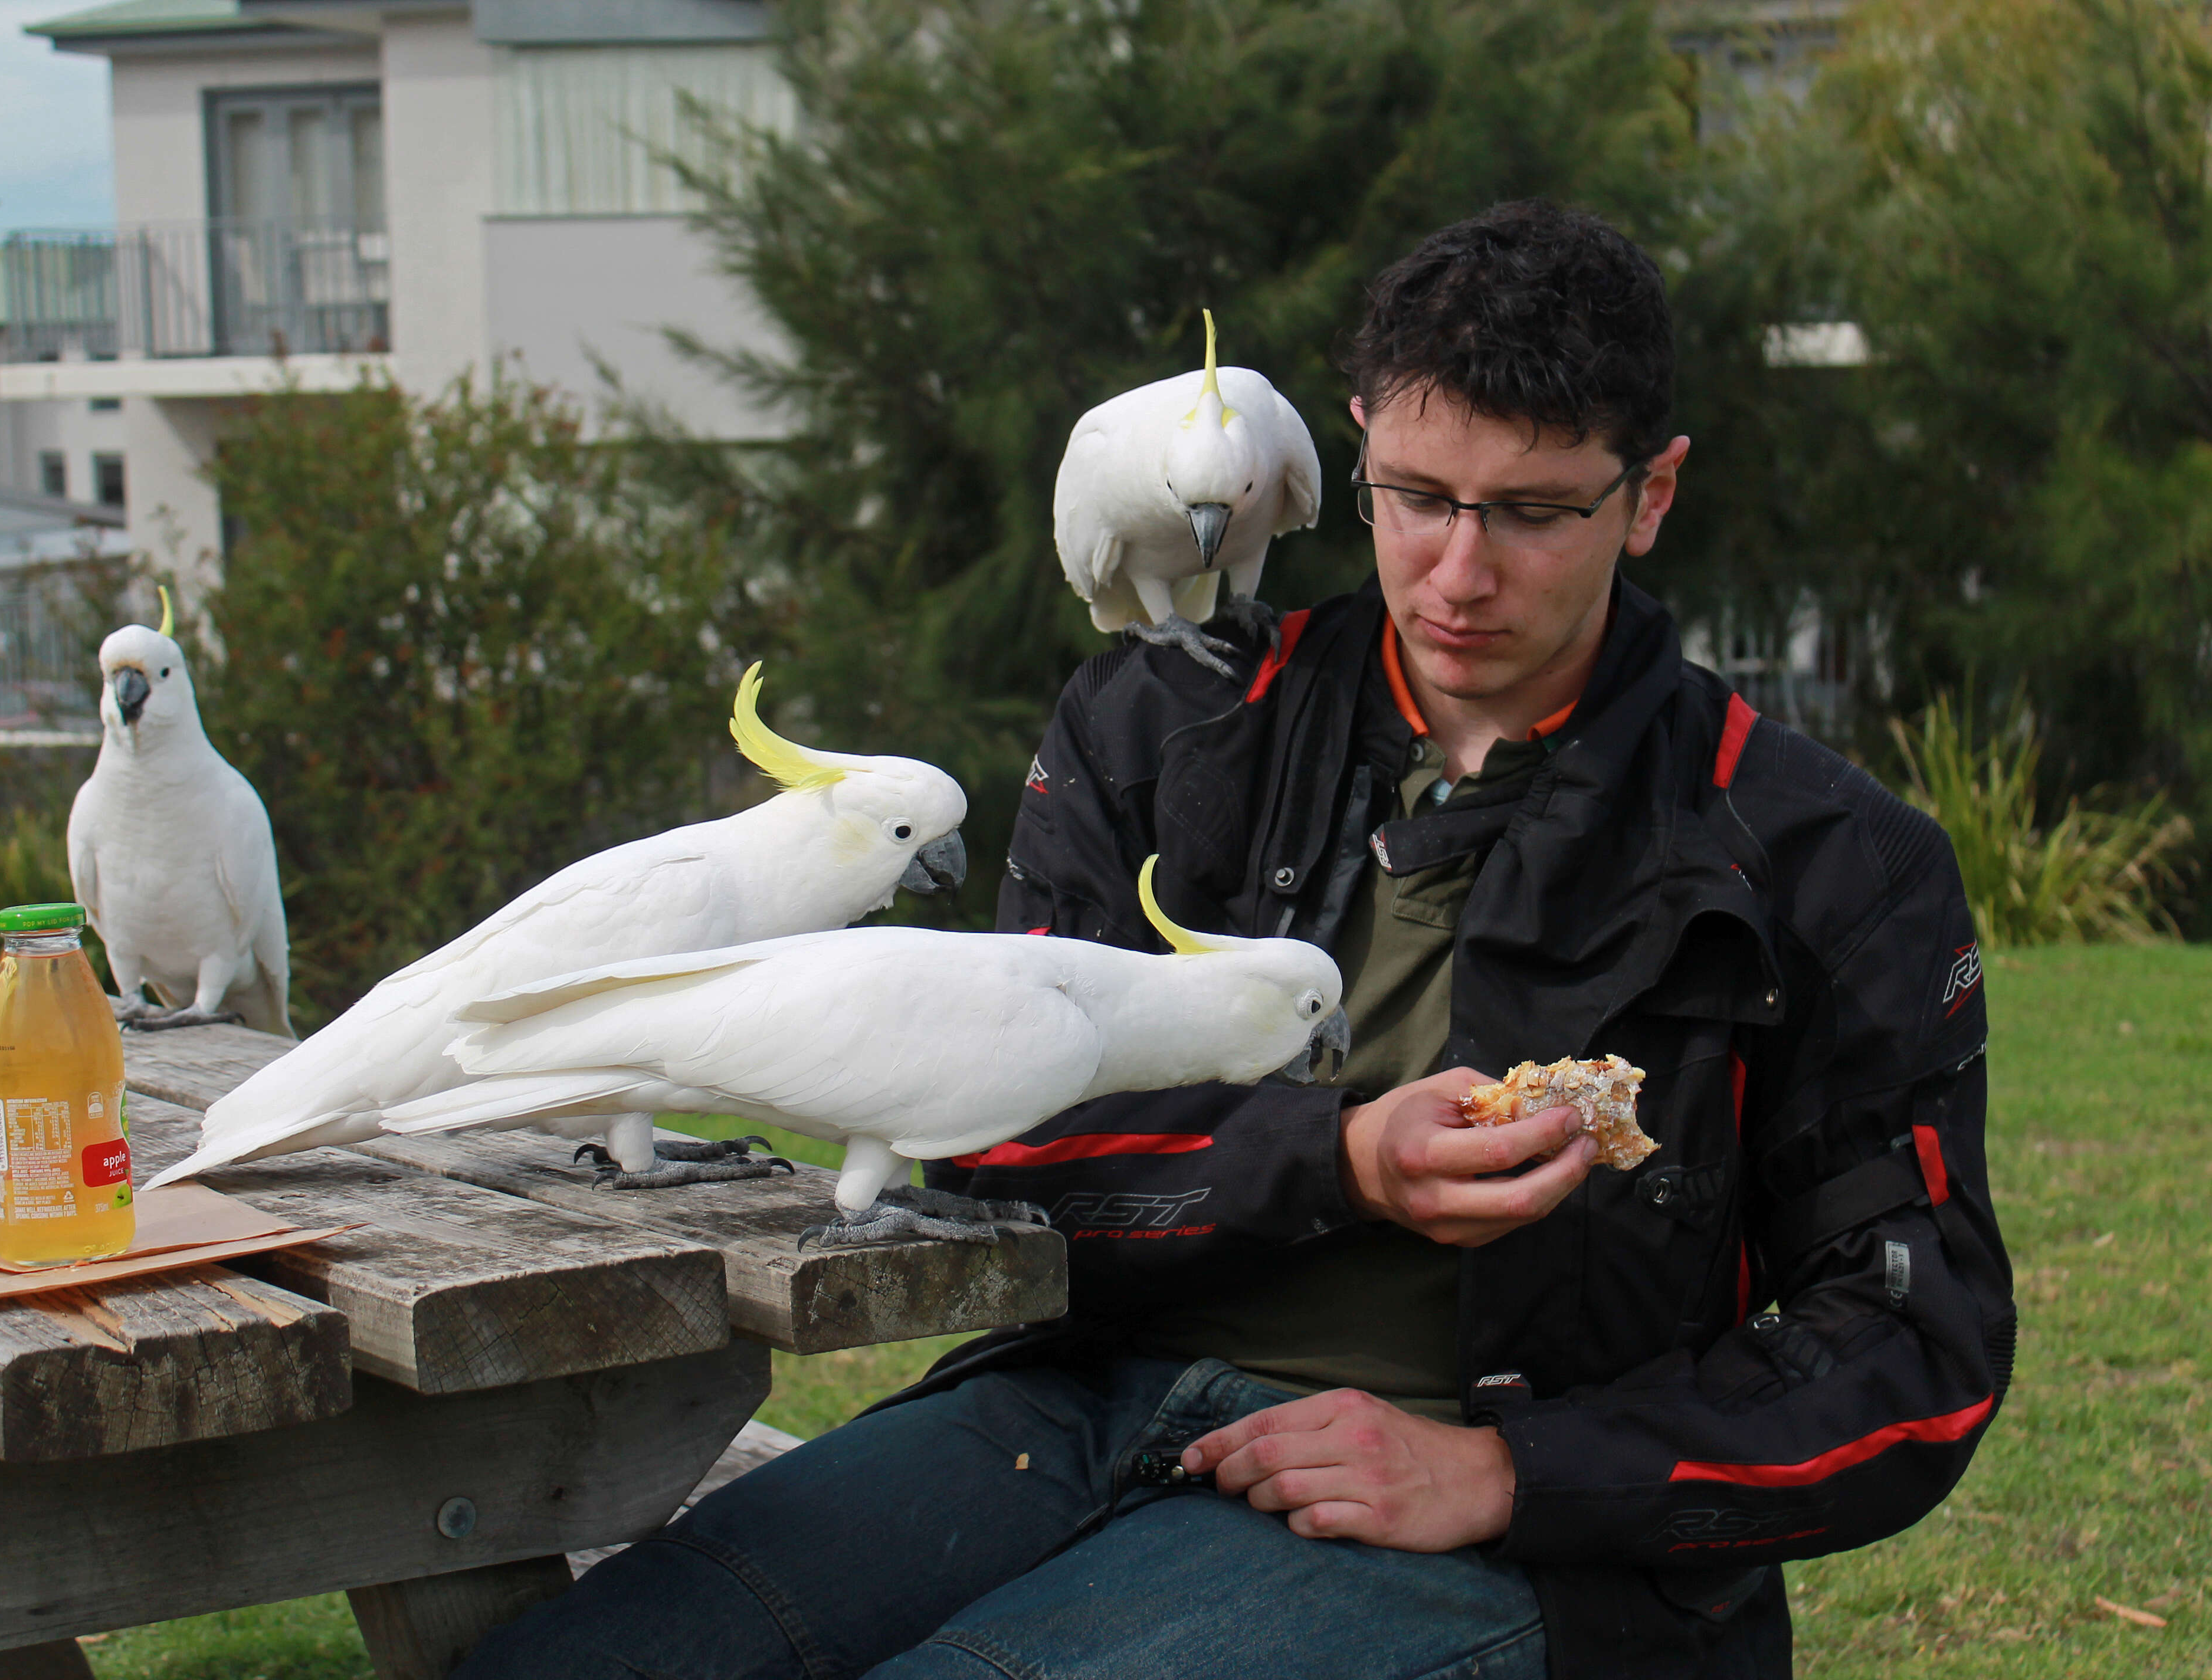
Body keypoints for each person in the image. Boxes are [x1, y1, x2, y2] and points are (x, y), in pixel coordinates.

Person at [455, 200, 2014, 1680]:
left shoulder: (1828, 858)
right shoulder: (1159, 725)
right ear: (1354, 455)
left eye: (1534, 513)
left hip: (1487, 1528)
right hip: (1070, 1400)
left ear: (1652, 493)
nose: (1459, 572)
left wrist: (1499, 1471)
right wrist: (1335, 1162)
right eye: (1416, 499)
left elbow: (1911, 1341)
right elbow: (989, 1151)